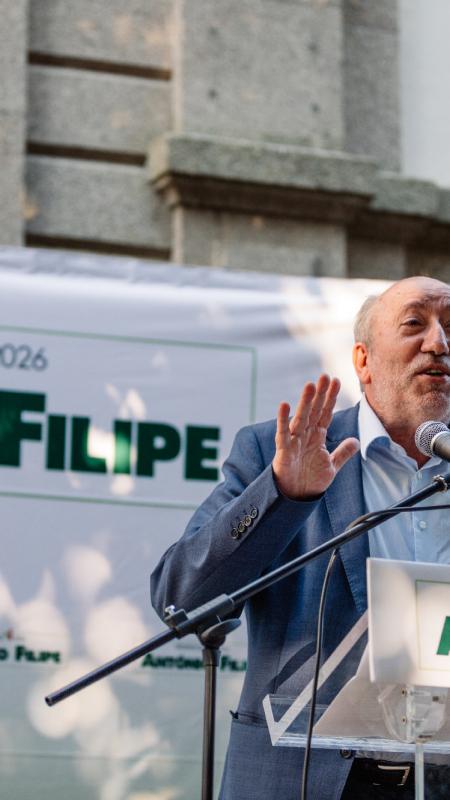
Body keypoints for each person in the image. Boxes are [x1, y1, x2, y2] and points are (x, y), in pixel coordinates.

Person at [151, 276, 450, 799]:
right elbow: (182, 596)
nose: (439, 342)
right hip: (303, 779)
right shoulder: (279, 452)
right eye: (414, 323)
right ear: (363, 361)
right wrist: (284, 494)